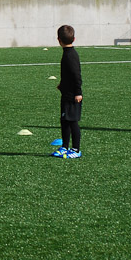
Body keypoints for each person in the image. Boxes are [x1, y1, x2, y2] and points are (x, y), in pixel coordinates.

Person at [52, 25, 82, 159]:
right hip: (66, 93)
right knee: (64, 120)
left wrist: (78, 92)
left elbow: (76, 75)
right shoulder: (67, 54)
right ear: (74, 38)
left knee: (72, 121)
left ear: (58, 40)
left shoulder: (71, 55)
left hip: (73, 95)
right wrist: (62, 84)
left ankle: (76, 149)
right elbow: (68, 74)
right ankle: (65, 146)